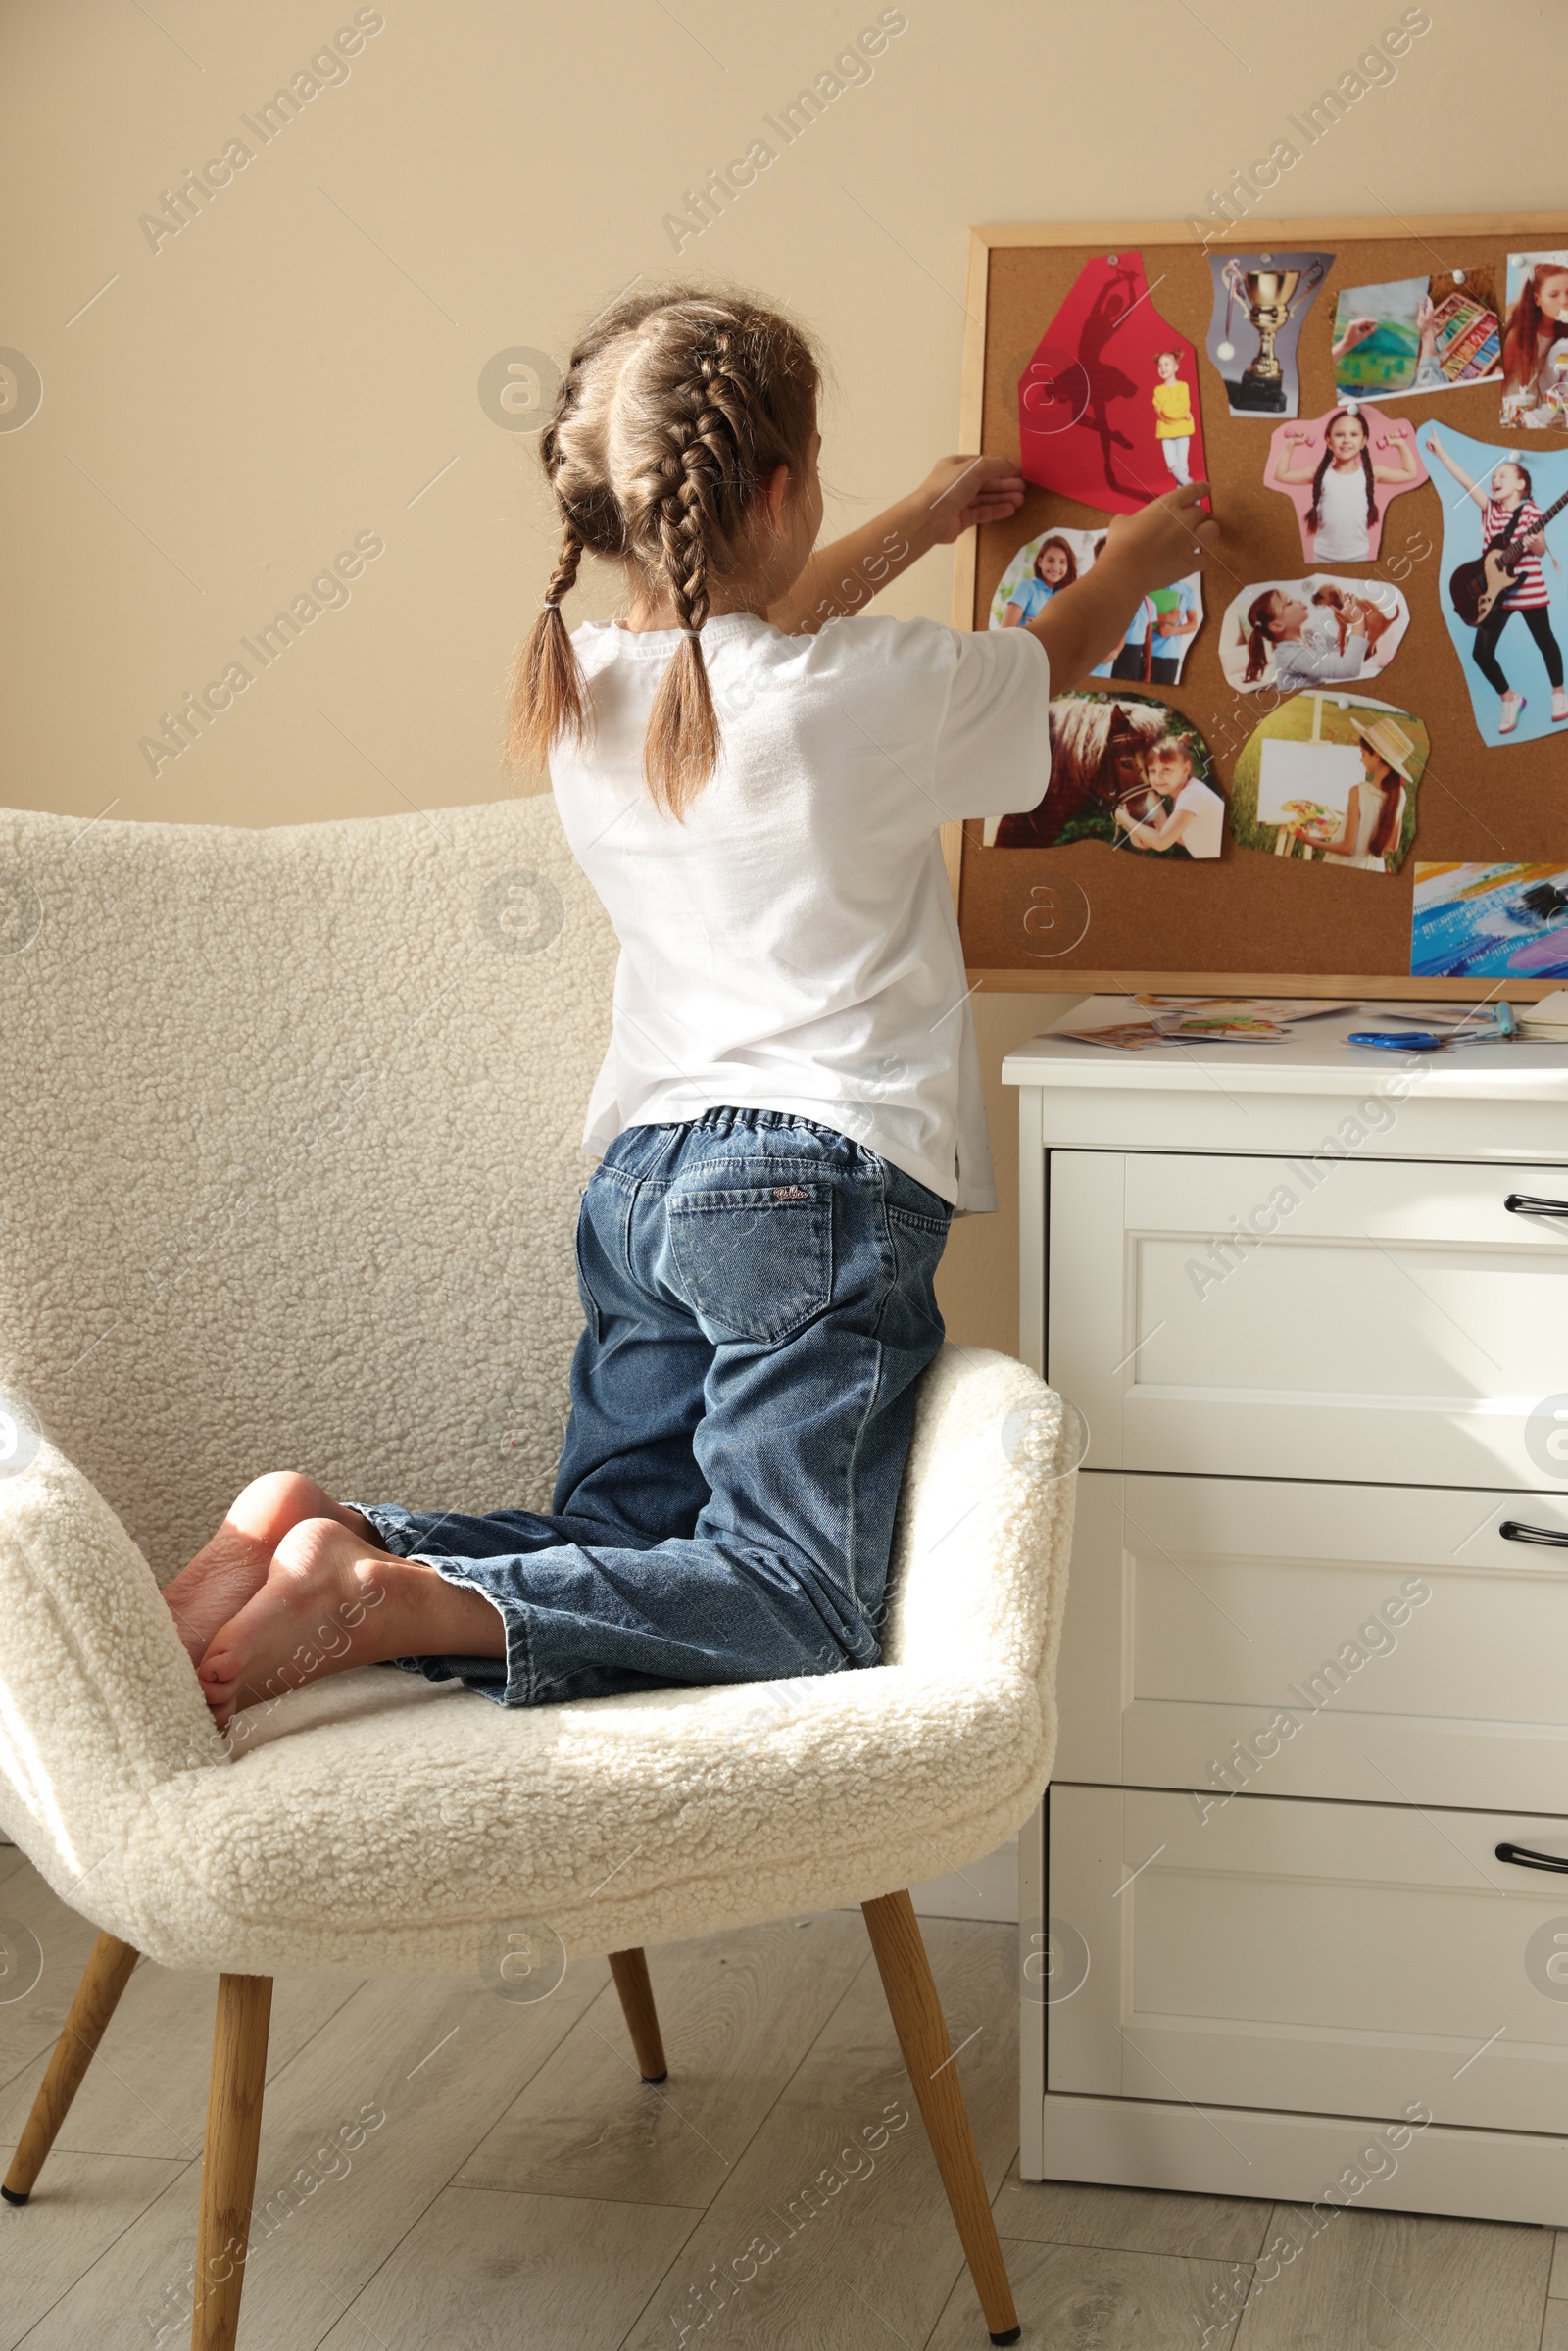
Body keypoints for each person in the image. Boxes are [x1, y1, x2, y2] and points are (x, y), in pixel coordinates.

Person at [159, 285, 1217, 1727]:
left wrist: (917, 517)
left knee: (634, 1557)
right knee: (800, 1596)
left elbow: (760, 631)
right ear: (779, 489)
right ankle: (388, 1585)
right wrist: (1149, 547)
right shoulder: (872, 691)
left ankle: (334, 1531)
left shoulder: (583, 685)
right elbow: (1052, 653)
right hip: (813, 1181)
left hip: (646, 1179)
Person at [1425, 430, 1567, 731]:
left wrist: (1534, 544)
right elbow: (1466, 481)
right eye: (1494, 476)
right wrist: (1440, 453)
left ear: (1521, 484)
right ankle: (1509, 698)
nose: (1495, 479)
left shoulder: (1530, 511)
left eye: (1503, 474)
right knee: (1481, 653)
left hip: (1527, 590)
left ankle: (1558, 693)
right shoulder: (1489, 510)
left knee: (1545, 641)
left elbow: (1541, 550)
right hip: (1492, 596)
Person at [1272, 406, 1419, 563]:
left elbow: (1410, 473)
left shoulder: (1371, 474)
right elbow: (1281, 475)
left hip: (1359, 557)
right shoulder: (1320, 474)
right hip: (1322, 558)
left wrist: (1401, 445)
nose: (1346, 440)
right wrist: (1290, 444)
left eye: (1354, 434)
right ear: (1329, 441)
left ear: (1364, 441)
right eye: (1339, 435)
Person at [1288, 713, 1413, 870]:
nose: (1361, 759)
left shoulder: (1359, 792)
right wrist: (1345, 815)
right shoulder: (1400, 795)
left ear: (1377, 756)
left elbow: (1348, 848)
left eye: (1363, 753)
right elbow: (1392, 846)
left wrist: (1313, 842)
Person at [1241, 583, 1393, 694]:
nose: (1297, 600)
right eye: (1288, 602)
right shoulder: (1289, 655)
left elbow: (1345, 645)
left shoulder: (1309, 636)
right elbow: (1349, 669)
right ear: (1277, 625)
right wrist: (1358, 621)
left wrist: (1351, 618)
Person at [1113, 734, 1224, 857]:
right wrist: (1162, 825)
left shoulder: (1192, 795)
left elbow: (1161, 843)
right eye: (1152, 771)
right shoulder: (1182, 796)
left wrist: (1125, 820)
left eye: (1166, 770)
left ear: (1185, 769)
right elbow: (1186, 841)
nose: (1158, 777)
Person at [1500, 260, 1568, 427]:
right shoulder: (1520, 333)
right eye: (1554, 295)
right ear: (1537, 299)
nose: (1564, 301)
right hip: (1517, 403)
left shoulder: (1562, 332)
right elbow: (1502, 375)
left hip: (1546, 405)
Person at [1001, 533, 1076, 627]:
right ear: (1040, 561)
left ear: (1068, 566)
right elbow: (1005, 630)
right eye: (1050, 560)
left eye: (1062, 562)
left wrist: (1043, 627)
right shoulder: (1027, 587)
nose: (1056, 568)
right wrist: (1034, 629)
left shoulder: (1067, 595)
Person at [1152, 350, 1195, 485]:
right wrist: (1181, 413)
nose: (1163, 368)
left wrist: (1169, 408)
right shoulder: (1158, 390)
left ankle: (1183, 496)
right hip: (1166, 435)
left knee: (1182, 466)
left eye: (1166, 364)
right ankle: (1190, 486)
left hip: (1183, 433)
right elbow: (1161, 411)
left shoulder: (1183, 387)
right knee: (1173, 466)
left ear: (1176, 367)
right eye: (1160, 365)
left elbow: (1182, 405)